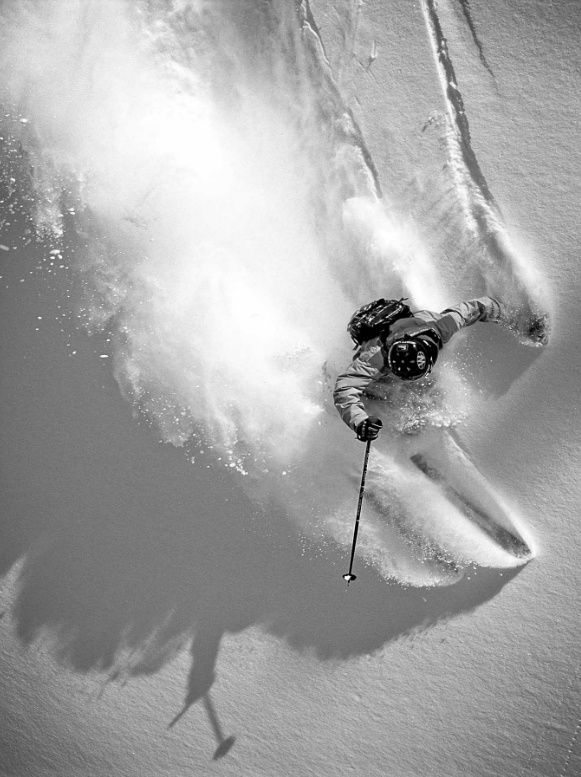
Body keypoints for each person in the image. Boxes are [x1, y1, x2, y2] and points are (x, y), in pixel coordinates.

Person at [333, 296, 504, 441]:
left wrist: (514, 319)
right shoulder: (375, 356)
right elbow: (345, 388)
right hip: (375, 383)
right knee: (385, 395)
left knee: (426, 391)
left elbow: (478, 307)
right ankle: (405, 437)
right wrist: (361, 422)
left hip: (404, 358)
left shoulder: (442, 326)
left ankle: (412, 433)